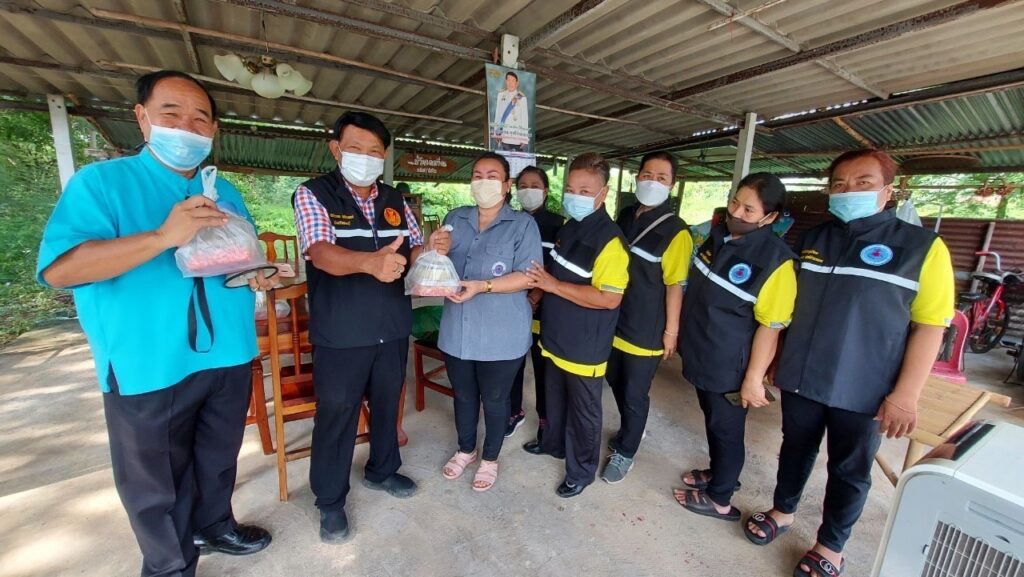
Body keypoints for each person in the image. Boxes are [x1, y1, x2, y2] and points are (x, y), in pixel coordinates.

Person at [36, 70, 272, 577]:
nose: (187, 127)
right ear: (142, 118)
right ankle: (170, 567)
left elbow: (232, 257)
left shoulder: (223, 189)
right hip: (148, 361)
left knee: (218, 456)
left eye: (200, 119)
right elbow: (61, 270)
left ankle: (215, 526)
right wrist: (164, 236)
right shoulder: (102, 183)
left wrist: (254, 272)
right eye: (172, 114)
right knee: (155, 482)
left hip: (229, 352)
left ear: (213, 131)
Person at [744, 150, 954, 577]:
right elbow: (791, 307)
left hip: (866, 385)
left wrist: (906, 395)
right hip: (803, 374)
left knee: (849, 468)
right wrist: (776, 360)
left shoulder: (922, 247)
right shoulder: (813, 239)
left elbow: (931, 326)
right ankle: (783, 510)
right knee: (795, 448)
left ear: (887, 191)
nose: (848, 190)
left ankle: (831, 544)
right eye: (839, 184)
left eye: (863, 182)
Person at [292, 111, 450, 543]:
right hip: (341, 331)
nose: (365, 157)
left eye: (374, 151)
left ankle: (382, 470)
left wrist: (430, 251)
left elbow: (412, 250)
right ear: (336, 149)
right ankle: (330, 502)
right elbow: (319, 252)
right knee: (337, 415)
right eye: (355, 148)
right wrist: (369, 263)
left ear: (384, 157)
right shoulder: (313, 194)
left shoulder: (395, 199)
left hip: (391, 325)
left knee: (386, 404)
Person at [672, 173, 797, 521]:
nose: (736, 213)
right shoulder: (718, 237)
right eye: (735, 203)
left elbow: (771, 327)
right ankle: (720, 474)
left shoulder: (776, 261)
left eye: (749, 209)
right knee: (714, 422)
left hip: (730, 365)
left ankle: (720, 499)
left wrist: (753, 379)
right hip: (703, 354)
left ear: (770, 217)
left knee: (726, 430)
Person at [524, 152, 630, 498]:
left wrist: (553, 286)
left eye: (585, 191)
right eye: (570, 189)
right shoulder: (570, 228)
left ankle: (581, 471)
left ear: (603, 193)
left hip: (585, 345)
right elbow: (555, 272)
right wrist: (540, 290)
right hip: (556, 334)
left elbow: (609, 298)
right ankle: (552, 443)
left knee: (584, 412)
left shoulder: (610, 241)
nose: (575, 196)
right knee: (554, 398)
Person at [437, 153, 543, 491]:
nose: (484, 182)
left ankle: (490, 458)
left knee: (496, 400)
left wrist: (482, 286)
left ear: (507, 185)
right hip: (458, 329)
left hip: (502, 334)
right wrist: (434, 249)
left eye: (493, 176)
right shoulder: (455, 218)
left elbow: (528, 276)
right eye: (478, 175)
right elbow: (437, 266)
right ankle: (466, 450)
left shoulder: (522, 225)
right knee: (464, 395)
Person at [600, 151, 692, 484]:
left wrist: (671, 331)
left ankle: (626, 450)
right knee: (614, 379)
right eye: (647, 175)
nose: (652, 182)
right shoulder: (626, 215)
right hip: (614, 317)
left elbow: (675, 285)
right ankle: (629, 429)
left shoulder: (677, 232)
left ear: (672, 185)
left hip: (646, 326)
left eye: (661, 178)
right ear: (637, 177)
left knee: (634, 393)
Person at [509, 166, 564, 444]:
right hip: (512, 303)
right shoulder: (510, 220)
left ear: (546, 191)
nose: (528, 191)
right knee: (511, 363)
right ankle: (512, 412)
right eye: (523, 186)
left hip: (543, 309)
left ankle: (546, 420)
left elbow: (556, 265)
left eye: (534, 185)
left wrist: (535, 296)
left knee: (545, 369)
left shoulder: (559, 224)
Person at [492, 71, 530, 152]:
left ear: (517, 83)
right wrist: (496, 133)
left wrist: (524, 138)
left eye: (513, 81)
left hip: (517, 137)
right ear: (506, 81)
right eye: (508, 80)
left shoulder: (522, 98)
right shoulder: (501, 95)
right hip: (504, 135)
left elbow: (524, 119)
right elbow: (498, 115)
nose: (510, 83)